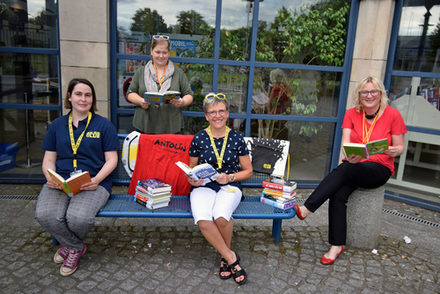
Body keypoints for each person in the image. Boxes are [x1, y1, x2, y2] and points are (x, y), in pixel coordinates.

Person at [293, 76, 407, 265]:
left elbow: (400, 147)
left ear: (380, 94)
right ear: (359, 95)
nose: (369, 96)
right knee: (338, 194)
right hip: (355, 165)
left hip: (379, 169)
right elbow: (346, 143)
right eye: (364, 92)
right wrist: (350, 153)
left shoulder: (393, 114)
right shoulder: (351, 114)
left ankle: (307, 207)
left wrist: (394, 150)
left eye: (373, 92)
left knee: (346, 169)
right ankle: (336, 245)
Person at [35, 78, 119, 276]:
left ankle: (68, 246)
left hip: (93, 183)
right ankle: (75, 246)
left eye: (88, 95)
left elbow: (112, 160)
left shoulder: (103, 125)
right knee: (44, 214)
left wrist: (96, 180)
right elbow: (48, 160)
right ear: (69, 97)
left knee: (78, 218)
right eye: (79, 94)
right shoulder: (56, 125)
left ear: (93, 99)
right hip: (61, 182)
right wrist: (50, 176)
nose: (83, 99)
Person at [187, 93, 253, 285]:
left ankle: (225, 258)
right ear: (206, 116)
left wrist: (230, 177)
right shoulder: (199, 138)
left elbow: (248, 171)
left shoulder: (237, 137)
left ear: (227, 113)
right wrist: (193, 180)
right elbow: (192, 170)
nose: (217, 115)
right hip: (204, 185)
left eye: (221, 111)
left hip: (230, 184)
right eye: (212, 112)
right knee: (203, 218)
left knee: (221, 216)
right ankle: (230, 257)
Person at [127, 34, 193, 134]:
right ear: (151, 52)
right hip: (145, 126)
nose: (161, 56)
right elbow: (130, 93)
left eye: (164, 52)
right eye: (157, 52)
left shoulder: (178, 73)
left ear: (169, 53)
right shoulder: (141, 72)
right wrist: (141, 101)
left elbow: (189, 94)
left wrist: (182, 102)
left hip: (171, 127)